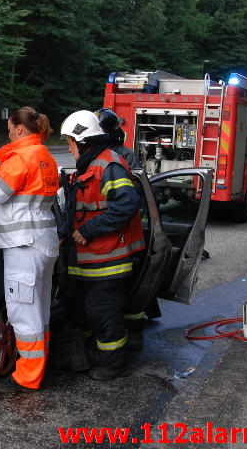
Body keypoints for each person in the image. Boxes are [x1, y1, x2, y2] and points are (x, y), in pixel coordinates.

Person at [0, 106, 60, 392]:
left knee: (23, 312)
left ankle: (27, 377)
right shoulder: (45, 156)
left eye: (10, 128)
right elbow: (7, 201)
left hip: (23, 246)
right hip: (42, 243)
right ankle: (38, 367)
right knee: (39, 311)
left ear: (19, 128)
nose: (8, 133)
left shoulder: (20, 157)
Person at [59, 110, 146, 381]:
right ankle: (86, 354)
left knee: (103, 312)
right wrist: (64, 233)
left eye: (71, 143)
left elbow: (128, 205)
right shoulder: (90, 165)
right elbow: (77, 209)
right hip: (88, 259)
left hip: (107, 259)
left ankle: (113, 362)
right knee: (81, 309)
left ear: (84, 142)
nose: (69, 149)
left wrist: (88, 230)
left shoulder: (109, 165)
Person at [95, 108, 147, 349]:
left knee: (123, 287)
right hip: (107, 232)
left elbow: (132, 198)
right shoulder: (109, 154)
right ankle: (131, 329)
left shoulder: (121, 157)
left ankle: (134, 331)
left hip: (121, 231)